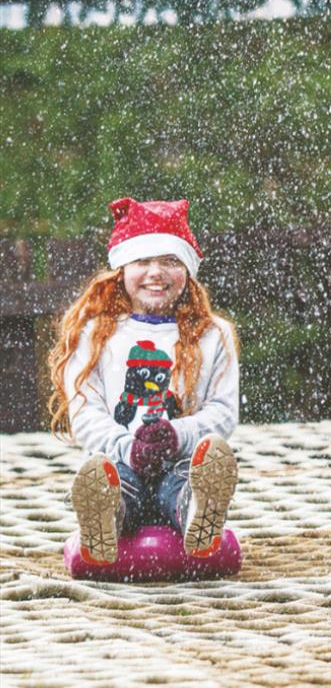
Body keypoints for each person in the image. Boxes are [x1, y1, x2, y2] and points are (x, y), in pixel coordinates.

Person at [47, 197, 240, 565]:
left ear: (188, 269)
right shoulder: (95, 335)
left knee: (185, 484)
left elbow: (223, 412)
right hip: (119, 463)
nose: (157, 272)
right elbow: (86, 412)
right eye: (142, 261)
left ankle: (197, 511)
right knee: (117, 484)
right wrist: (127, 447)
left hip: (182, 462)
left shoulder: (213, 335)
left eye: (171, 261)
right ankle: (106, 517)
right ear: (121, 269)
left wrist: (178, 435)